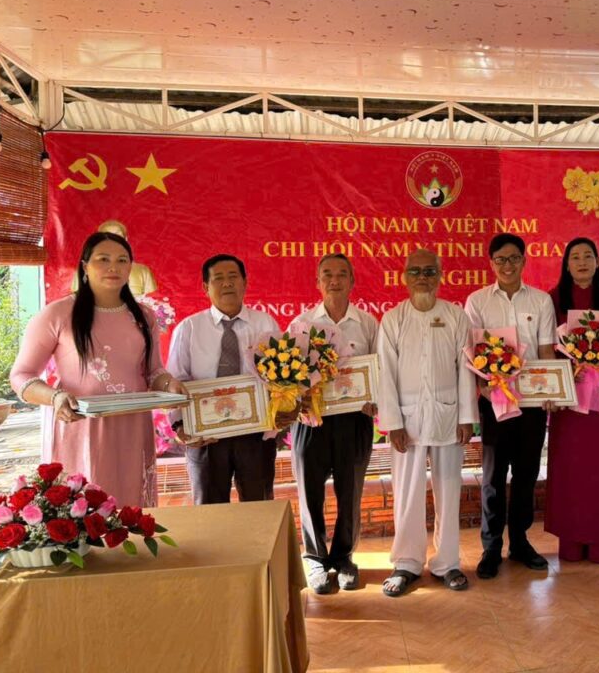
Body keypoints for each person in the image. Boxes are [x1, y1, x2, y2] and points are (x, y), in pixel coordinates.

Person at [10, 231, 184, 507]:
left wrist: (169, 384)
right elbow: (21, 375)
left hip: (133, 426)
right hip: (81, 426)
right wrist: (55, 397)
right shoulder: (57, 314)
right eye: (103, 259)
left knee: (132, 510)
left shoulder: (144, 316)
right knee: (85, 510)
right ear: (85, 266)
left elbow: (154, 372)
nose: (113, 267)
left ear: (130, 267)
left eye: (122, 260)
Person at [376, 249, 477, 597]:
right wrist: (393, 422)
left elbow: (466, 370)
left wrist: (467, 417)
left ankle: (447, 563)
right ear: (404, 277)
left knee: (449, 490)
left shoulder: (456, 316)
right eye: (415, 271)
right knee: (407, 493)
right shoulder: (393, 319)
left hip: (449, 416)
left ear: (440, 275)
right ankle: (407, 562)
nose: (422, 277)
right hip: (406, 420)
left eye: (429, 271)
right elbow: (385, 374)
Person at [286, 254, 379, 594]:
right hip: (311, 421)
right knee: (309, 492)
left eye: (342, 274)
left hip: (354, 420)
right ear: (318, 282)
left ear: (353, 280)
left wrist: (374, 398)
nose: (335, 280)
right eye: (327, 274)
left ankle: (344, 557)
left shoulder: (367, 323)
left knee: (350, 492)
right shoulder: (301, 324)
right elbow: (287, 376)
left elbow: (379, 368)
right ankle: (315, 558)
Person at [465, 233, 556, 579]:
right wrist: (483, 389)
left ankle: (519, 542)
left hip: (532, 403)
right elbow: (474, 353)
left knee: (526, 474)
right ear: (491, 263)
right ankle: (491, 547)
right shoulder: (477, 302)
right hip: (495, 401)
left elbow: (545, 351)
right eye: (501, 259)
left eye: (514, 258)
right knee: (492, 476)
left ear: (523, 261)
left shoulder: (541, 301)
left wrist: (552, 389)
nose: (508, 265)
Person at [166, 254, 283, 505]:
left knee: (259, 510)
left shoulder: (266, 324)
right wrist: (180, 426)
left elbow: (282, 375)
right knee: (209, 511)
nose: (227, 283)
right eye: (218, 278)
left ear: (245, 282)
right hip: (205, 436)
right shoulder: (189, 328)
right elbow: (175, 380)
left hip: (255, 435)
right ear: (205, 287)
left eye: (233, 277)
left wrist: (283, 410)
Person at [546, 237, 599, 563]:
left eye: (587, 256)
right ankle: (571, 539)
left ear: (597, 261)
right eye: (575, 257)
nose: (582, 262)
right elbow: (547, 348)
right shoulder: (553, 299)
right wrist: (554, 387)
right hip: (569, 400)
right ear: (566, 265)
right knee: (570, 469)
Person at [70, 220, 157, 297]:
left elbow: (152, 303)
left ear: (126, 239)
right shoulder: (84, 271)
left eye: (118, 235)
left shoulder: (143, 271)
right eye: (108, 236)